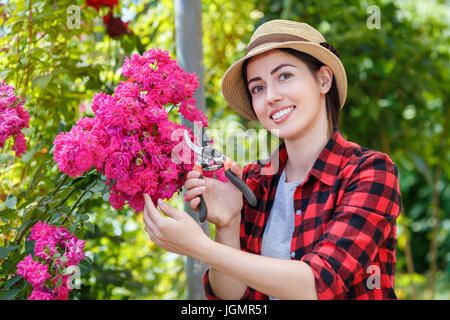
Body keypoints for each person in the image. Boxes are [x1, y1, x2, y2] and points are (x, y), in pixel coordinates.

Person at [143, 19, 402, 300]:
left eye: (285, 76)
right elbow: (232, 298)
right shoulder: (253, 180)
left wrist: (199, 246)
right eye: (258, 88)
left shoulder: (370, 172)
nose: (272, 96)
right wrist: (227, 225)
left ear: (323, 80)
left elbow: (318, 284)